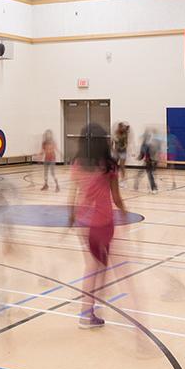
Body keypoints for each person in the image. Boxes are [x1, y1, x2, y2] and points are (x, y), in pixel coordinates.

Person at [69, 123, 129, 329]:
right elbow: (117, 197)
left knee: (98, 264)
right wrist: (124, 213)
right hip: (101, 222)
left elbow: (73, 194)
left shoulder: (77, 163)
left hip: (82, 222)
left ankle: (93, 305)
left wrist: (71, 216)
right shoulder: (108, 166)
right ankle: (86, 313)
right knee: (94, 266)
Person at [135, 128, 160, 192]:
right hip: (149, 161)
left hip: (150, 161)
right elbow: (142, 154)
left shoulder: (148, 144)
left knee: (149, 174)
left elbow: (144, 154)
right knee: (147, 174)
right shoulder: (147, 144)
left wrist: (140, 157)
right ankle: (137, 185)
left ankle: (153, 187)